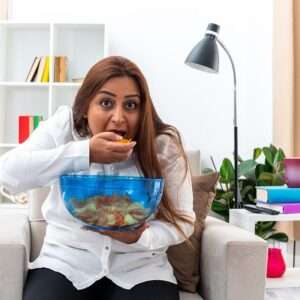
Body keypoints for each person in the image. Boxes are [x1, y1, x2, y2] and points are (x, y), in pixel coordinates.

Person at [0, 56, 195, 300]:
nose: (118, 117)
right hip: (66, 261)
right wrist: (85, 153)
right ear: (85, 106)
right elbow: (7, 174)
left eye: (131, 105)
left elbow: (185, 220)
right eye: (106, 103)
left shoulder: (164, 146)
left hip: (142, 268)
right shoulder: (64, 129)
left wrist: (142, 237)